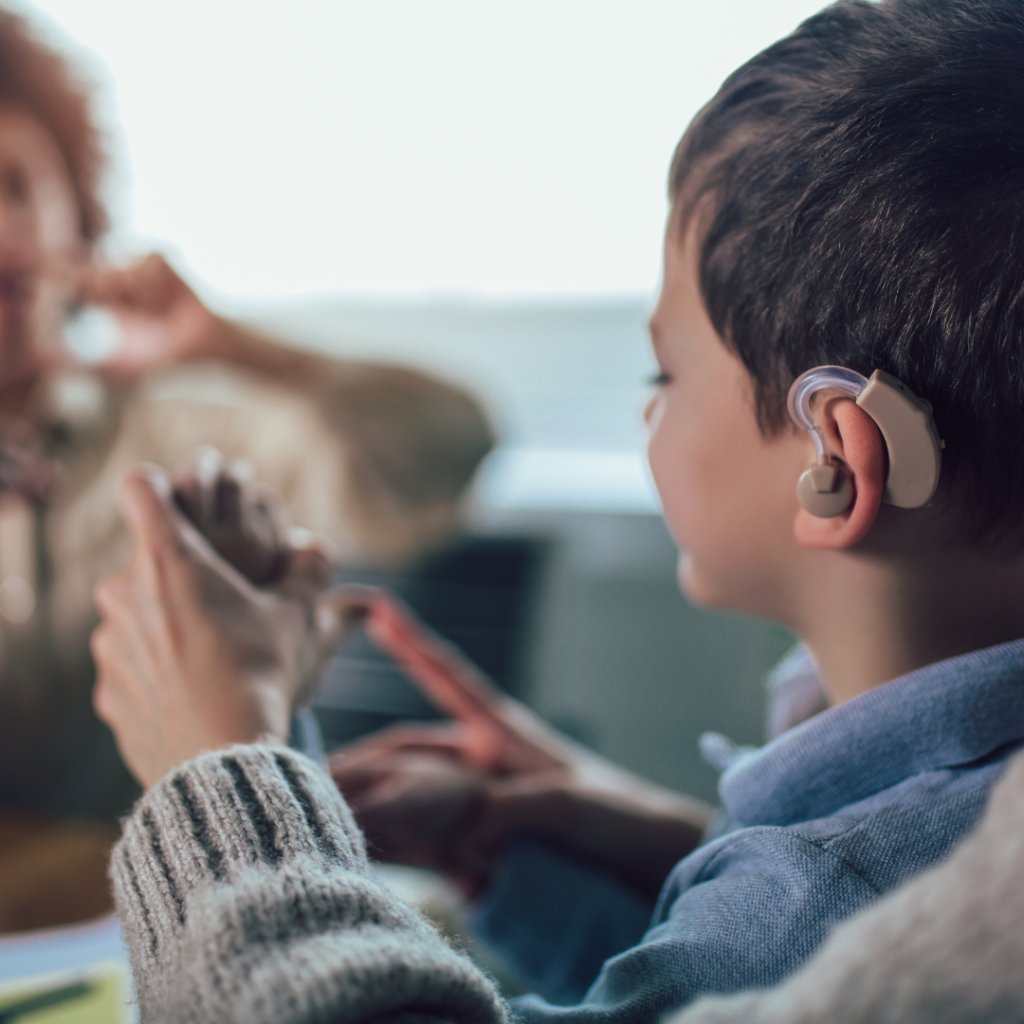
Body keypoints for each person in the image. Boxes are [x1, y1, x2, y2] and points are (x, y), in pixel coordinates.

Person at [91, 0, 1024, 1019]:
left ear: (837, 459)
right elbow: (718, 986)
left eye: (661, 370)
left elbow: (786, 930)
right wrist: (549, 859)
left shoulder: (831, 885)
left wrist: (221, 770)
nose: (644, 407)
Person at [0, 6, 494, 827]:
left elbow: (447, 452)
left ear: (79, 219)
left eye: (15, 189)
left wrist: (233, 347)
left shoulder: (186, 441)